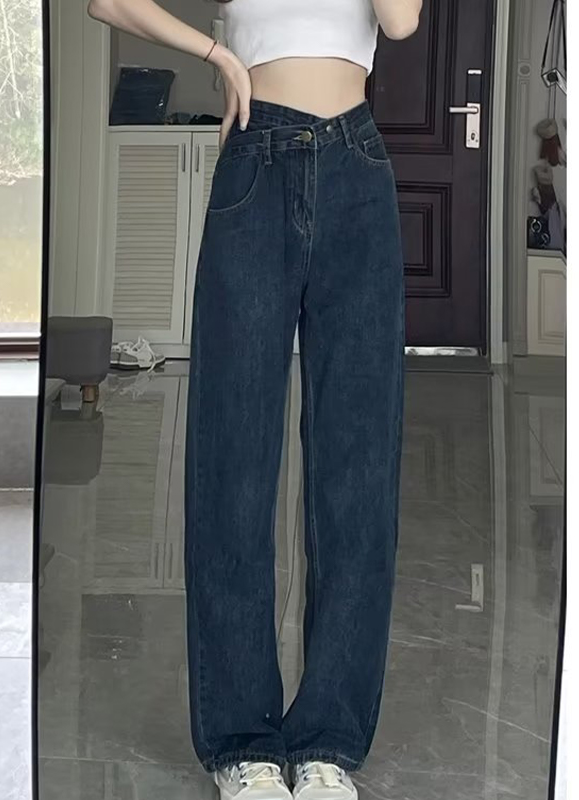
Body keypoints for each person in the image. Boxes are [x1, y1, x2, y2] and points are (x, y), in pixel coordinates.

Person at [87, 1, 422, 797]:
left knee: (357, 474)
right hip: (255, 159)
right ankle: (242, 745)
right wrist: (216, 55)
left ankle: (329, 745)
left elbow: (401, 22)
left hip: (356, 165)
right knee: (232, 462)